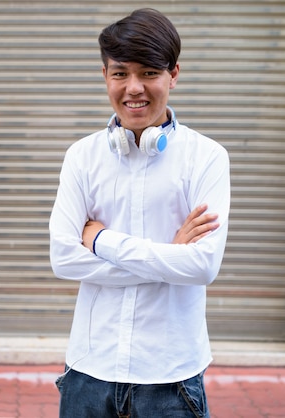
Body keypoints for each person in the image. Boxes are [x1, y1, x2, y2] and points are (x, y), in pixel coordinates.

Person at [49, 9, 231, 418]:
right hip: (88, 372)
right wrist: (168, 257)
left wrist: (100, 241)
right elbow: (62, 257)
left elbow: (202, 265)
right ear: (105, 76)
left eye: (149, 72)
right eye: (120, 74)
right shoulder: (82, 156)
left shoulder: (207, 158)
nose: (134, 88)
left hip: (171, 378)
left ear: (173, 75)